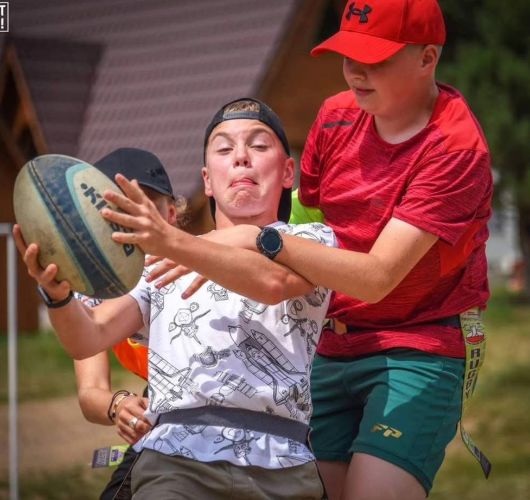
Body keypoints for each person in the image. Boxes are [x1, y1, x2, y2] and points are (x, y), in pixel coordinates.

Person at [157, 2, 492, 498]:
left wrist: (257, 239)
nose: (355, 70)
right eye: (348, 54)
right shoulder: (335, 116)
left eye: (374, 58)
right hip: (329, 343)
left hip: (417, 342)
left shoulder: (454, 147)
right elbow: (305, 221)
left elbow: (376, 278)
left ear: (427, 58)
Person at [14, 98, 337, 499]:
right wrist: (58, 296)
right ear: (207, 180)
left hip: (283, 464)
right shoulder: (160, 263)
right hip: (176, 460)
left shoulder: (310, 241)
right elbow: (87, 337)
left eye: (258, 145)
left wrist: (178, 245)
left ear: (288, 171)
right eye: (224, 148)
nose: (241, 157)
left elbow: (272, 282)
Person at [73, 148, 181, 499]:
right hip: (160, 402)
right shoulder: (89, 291)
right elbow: (90, 392)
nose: (131, 220)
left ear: (172, 215)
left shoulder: (193, 268)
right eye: (115, 210)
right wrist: (119, 404)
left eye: (144, 205)